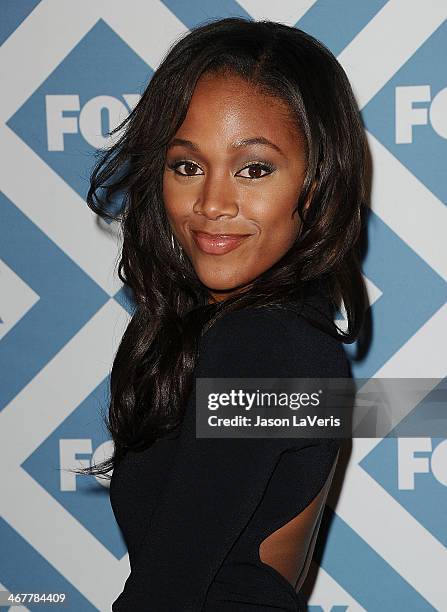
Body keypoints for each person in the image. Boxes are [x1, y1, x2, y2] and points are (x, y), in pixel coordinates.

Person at [77, 16, 368, 611]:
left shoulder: (263, 344)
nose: (211, 202)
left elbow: (168, 591)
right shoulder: (244, 334)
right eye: (187, 165)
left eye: (253, 169)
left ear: (314, 184)